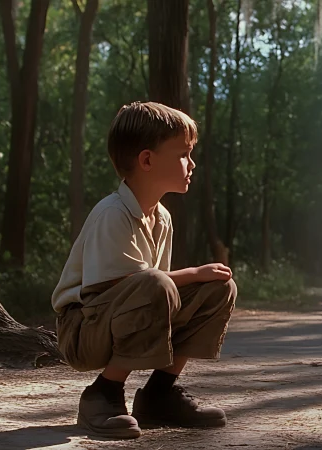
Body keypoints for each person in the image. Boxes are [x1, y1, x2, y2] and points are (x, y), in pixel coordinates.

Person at [51, 102, 238, 439]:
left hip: (117, 317)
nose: (191, 163)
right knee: (158, 282)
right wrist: (193, 273)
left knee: (219, 287)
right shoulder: (113, 214)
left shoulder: (162, 217)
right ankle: (103, 393)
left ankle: (159, 394)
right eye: (183, 154)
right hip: (83, 330)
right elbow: (122, 286)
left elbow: (157, 292)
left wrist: (199, 281)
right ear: (148, 160)